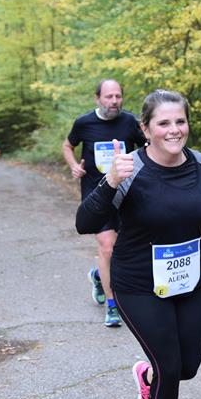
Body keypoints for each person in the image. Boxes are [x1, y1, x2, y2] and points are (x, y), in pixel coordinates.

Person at [75, 89, 201, 399]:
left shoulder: (200, 163)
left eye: (180, 121)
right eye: (163, 123)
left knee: (187, 367)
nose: (174, 129)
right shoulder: (129, 170)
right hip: (137, 285)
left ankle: (147, 376)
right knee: (169, 365)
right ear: (145, 129)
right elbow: (84, 222)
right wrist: (110, 181)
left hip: (188, 281)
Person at [62, 79, 146, 327]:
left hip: (127, 193)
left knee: (124, 249)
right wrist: (74, 166)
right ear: (97, 98)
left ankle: (99, 274)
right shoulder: (84, 123)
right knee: (108, 247)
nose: (114, 101)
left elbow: (148, 147)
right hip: (96, 194)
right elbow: (68, 145)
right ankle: (112, 306)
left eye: (118, 96)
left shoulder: (130, 122)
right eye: (109, 97)